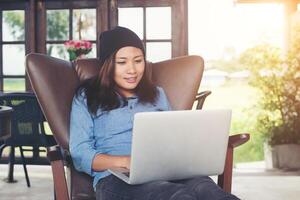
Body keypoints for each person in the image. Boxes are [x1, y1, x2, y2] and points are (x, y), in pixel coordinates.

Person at [70, 26, 239, 200]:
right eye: (122, 62)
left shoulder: (157, 94)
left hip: (166, 171)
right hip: (114, 179)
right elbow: (80, 152)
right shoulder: (86, 96)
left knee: (209, 191)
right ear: (108, 65)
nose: (132, 70)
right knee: (177, 195)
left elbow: (174, 139)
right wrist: (126, 161)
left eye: (138, 60)